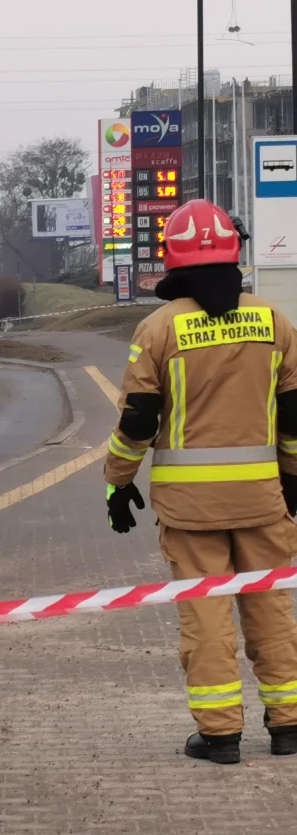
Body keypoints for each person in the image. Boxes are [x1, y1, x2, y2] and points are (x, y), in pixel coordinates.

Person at [104, 198, 297, 765]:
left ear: (172, 258)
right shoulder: (274, 321)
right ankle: (289, 726)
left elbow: (137, 419)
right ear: (234, 251)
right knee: (272, 610)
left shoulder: (158, 327)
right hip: (265, 501)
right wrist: (293, 480)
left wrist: (119, 482)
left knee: (207, 617)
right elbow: (295, 416)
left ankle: (219, 736)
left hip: (191, 512)